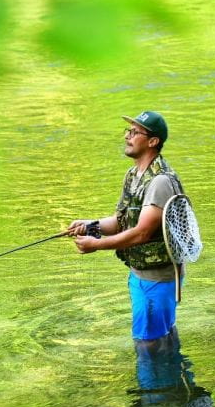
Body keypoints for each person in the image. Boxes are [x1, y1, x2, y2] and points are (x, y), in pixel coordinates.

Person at [67, 110, 186, 387]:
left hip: (157, 278)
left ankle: (153, 406)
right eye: (128, 131)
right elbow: (122, 221)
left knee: (147, 344)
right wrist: (90, 225)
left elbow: (142, 232)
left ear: (153, 141)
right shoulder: (134, 175)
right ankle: (171, 392)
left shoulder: (160, 182)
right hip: (141, 275)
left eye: (135, 132)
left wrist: (96, 245)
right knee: (161, 336)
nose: (127, 136)